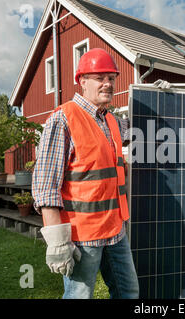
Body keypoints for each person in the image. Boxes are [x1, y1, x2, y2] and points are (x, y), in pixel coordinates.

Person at [32, 48, 139, 299]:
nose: (107, 84)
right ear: (82, 81)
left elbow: (139, 124)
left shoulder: (112, 120)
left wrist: (160, 96)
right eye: (99, 77)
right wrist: (58, 242)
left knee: (129, 292)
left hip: (116, 231)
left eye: (111, 78)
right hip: (84, 236)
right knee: (79, 296)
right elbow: (46, 185)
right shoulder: (63, 119)